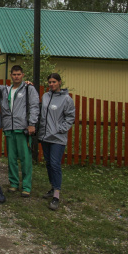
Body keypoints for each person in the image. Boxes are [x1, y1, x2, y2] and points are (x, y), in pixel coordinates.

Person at [38, 73, 75, 210]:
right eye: (49, 82)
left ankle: (56, 196)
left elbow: (70, 117)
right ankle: (52, 188)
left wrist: (61, 129)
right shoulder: (46, 96)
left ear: (59, 82)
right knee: (48, 163)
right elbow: (42, 115)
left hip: (58, 138)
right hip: (45, 137)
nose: (51, 84)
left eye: (54, 82)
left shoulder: (66, 99)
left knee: (55, 164)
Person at [2, 65, 39, 197]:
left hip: (22, 128)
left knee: (25, 158)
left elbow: (34, 106)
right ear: (10, 75)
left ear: (23, 75)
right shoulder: (7, 90)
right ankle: (13, 183)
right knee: (11, 159)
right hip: (9, 128)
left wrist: (32, 124)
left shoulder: (29, 88)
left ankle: (27, 186)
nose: (16, 76)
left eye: (19, 74)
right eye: (14, 74)